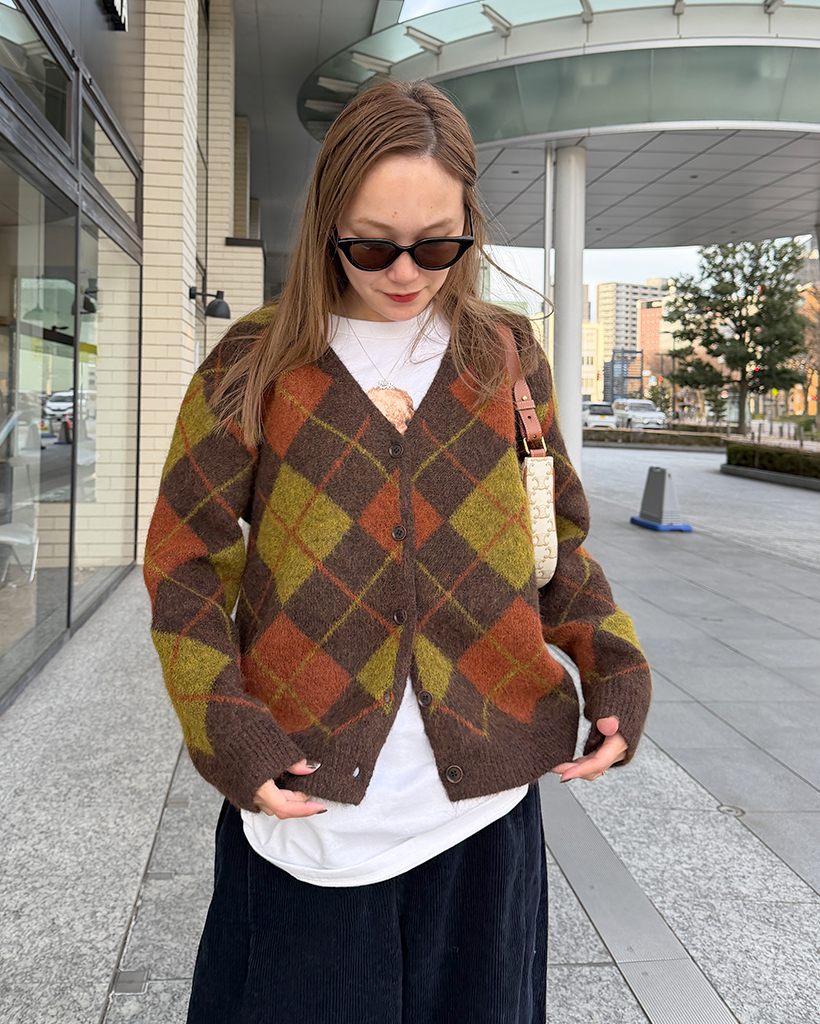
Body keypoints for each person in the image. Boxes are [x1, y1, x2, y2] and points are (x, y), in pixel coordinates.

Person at [144, 79, 651, 1024]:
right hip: (309, 816)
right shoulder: (255, 363)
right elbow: (184, 562)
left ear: (470, 226)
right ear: (327, 223)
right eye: (373, 244)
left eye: (438, 244)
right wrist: (225, 727)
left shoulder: (506, 355)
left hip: (486, 818)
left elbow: (557, 542)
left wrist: (614, 666)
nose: (408, 271)